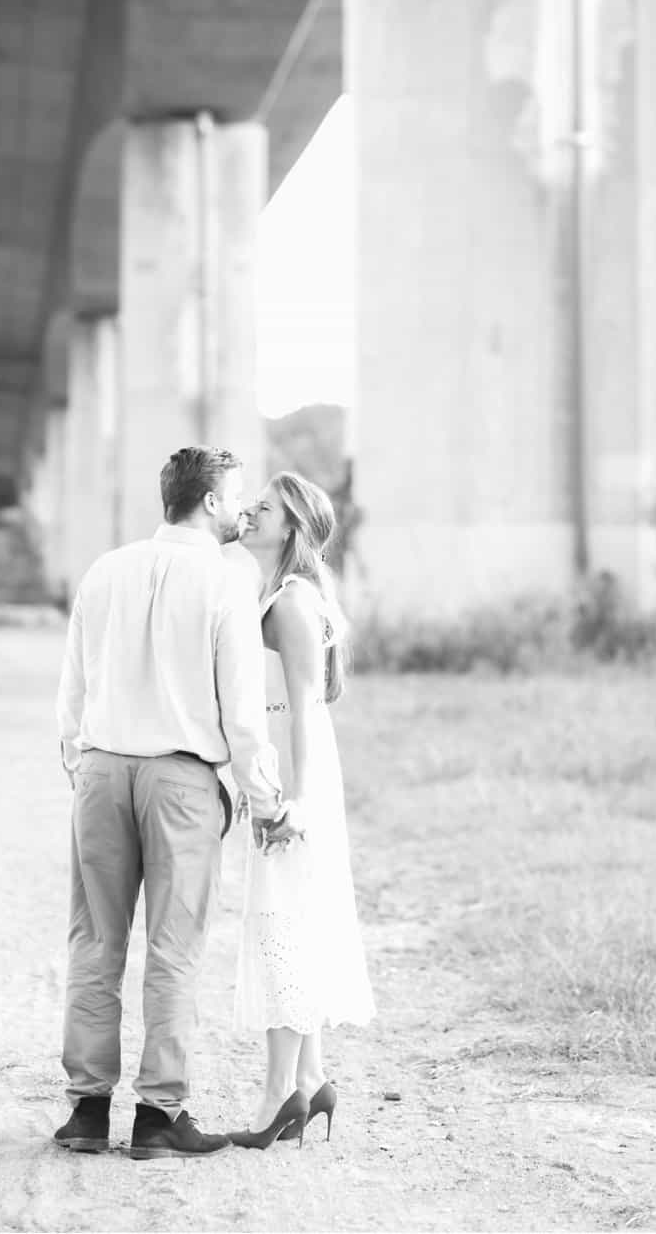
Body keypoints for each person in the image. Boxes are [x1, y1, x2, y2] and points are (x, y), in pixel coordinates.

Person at [52, 446, 301, 1159]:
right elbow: (243, 712)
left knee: (94, 940)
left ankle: (87, 1111)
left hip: (101, 772)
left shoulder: (104, 570)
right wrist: (265, 798)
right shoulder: (226, 580)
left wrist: (83, 765)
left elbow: (71, 690)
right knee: (173, 947)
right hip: (182, 780)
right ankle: (159, 1117)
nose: (241, 507)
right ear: (213, 501)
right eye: (236, 495)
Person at [228, 471, 375, 1150]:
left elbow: (304, 710)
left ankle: (278, 1092)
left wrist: (294, 801)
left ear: (290, 528)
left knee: (282, 923)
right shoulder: (282, 594)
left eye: (265, 507)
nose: (250, 511)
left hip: (297, 779)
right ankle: (312, 1078)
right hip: (294, 774)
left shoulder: (289, 600)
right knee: (296, 920)